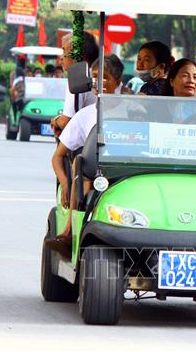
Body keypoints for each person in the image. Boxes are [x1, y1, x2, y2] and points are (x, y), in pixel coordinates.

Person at [46, 54, 130, 258]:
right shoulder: (84, 116)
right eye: (94, 77)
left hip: (128, 172)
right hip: (96, 176)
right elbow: (57, 157)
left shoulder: (133, 109)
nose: (98, 83)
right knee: (79, 163)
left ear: (117, 82)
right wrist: (66, 184)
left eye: (105, 78)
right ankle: (68, 234)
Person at [50, 32, 99, 138]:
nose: (61, 57)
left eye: (64, 51)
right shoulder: (102, 73)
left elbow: (67, 121)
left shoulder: (77, 78)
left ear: (78, 55)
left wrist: (55, 121)